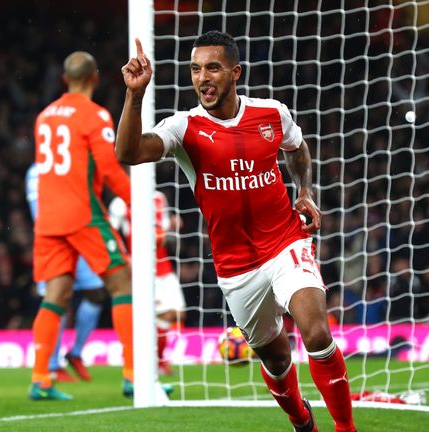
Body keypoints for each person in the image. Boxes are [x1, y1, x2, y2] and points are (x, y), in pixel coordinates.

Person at [116, 32, 356, 431]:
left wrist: (304, 191)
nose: (202, 78)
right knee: (277, 360)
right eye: (195, 69)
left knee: (315, 333)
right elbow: (128, 153)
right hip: (236, 268)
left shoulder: (271, 113)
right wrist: (134, 95)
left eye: (212, 67)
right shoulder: (183, 128)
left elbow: (297, 148)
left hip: (286, 242)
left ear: (235, 72)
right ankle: (302, 422)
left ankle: (346, 429)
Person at [28, 51, 136, 401]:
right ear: (95, 78)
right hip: (82, 214)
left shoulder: (44, 117)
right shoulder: (95, 115)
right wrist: (138, 202)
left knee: (55, 296)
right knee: (123, 284)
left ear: (64, 79)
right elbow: (108, 168)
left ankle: (41, 378)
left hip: (48, 220)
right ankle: (135, 375)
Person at [26, 162, 107, 382]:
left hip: (80, 240)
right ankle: (50, 366)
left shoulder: (70, 165)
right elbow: (38, 212)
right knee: (58, 300)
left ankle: (76, 352)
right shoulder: (37, 172)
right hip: (56, 243)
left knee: (97, 292)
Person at [109, 190, 187, 376]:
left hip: (164, 265)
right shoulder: (120, 201)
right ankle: (151, 362)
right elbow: (112, 231)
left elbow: (163, 230)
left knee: (177, 313)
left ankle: (154, 361)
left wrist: (173, 227)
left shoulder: (160, 197)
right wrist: (123, 256)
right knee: (155, 315)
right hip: (141, 267)